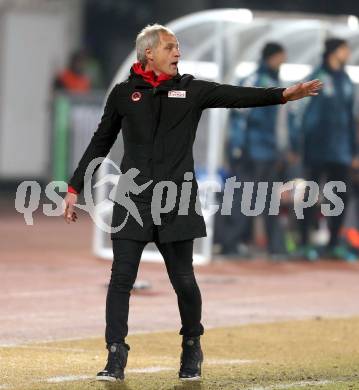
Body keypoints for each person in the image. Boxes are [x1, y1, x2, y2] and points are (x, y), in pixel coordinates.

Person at [62, 24, 322, 382]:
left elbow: (236, 96)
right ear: (149, 53)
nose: (177, 53)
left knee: (183, 279)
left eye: (178, 47)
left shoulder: (192, 89)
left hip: (177, 199)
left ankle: (191, 345)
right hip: (132, 199)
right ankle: (115, 353)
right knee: (120, 279)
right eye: (170, 47)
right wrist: (74, 187)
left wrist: (282, 95)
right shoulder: (124, 94)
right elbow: (100, 142)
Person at [224, 42, 298, 259]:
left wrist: (284, 148)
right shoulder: (254, 81)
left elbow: (281, 123)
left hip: (269, 152)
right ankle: (231, 244)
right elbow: (240, 118)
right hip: (252, 152)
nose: (283, 61)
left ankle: (275, 247)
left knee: (268, 200)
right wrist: (238, 148)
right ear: (271, 57)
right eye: (281, 56)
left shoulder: (276, 82)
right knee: (243, 199)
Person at [298, 37, 357, 262]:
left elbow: (350, 118)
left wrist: (352, 150)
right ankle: (305, 242)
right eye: (344, 50)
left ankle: (334, 243)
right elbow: (304, 114)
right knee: (311, 195)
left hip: (340, 151)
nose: (347, 54)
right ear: (333, 52)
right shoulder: (316, 78)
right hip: (317, 149)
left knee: (341, 196)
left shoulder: (346, 80)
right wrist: (302, 144)